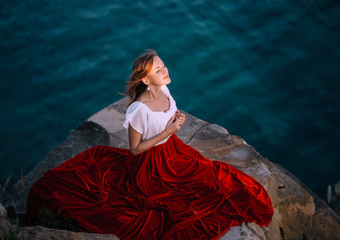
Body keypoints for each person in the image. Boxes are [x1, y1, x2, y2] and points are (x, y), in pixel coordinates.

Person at [27, 50, 274, 240]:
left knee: (216, 178)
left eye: (163, 65)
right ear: (145, 79)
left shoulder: (165, 89)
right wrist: (167, 131)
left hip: (173, 150)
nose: (165, 71)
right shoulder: (138, 109)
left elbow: (168, 117)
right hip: (151, 164)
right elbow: (135, 149)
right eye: (158, 70)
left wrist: (175, 121)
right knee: (183, 204)